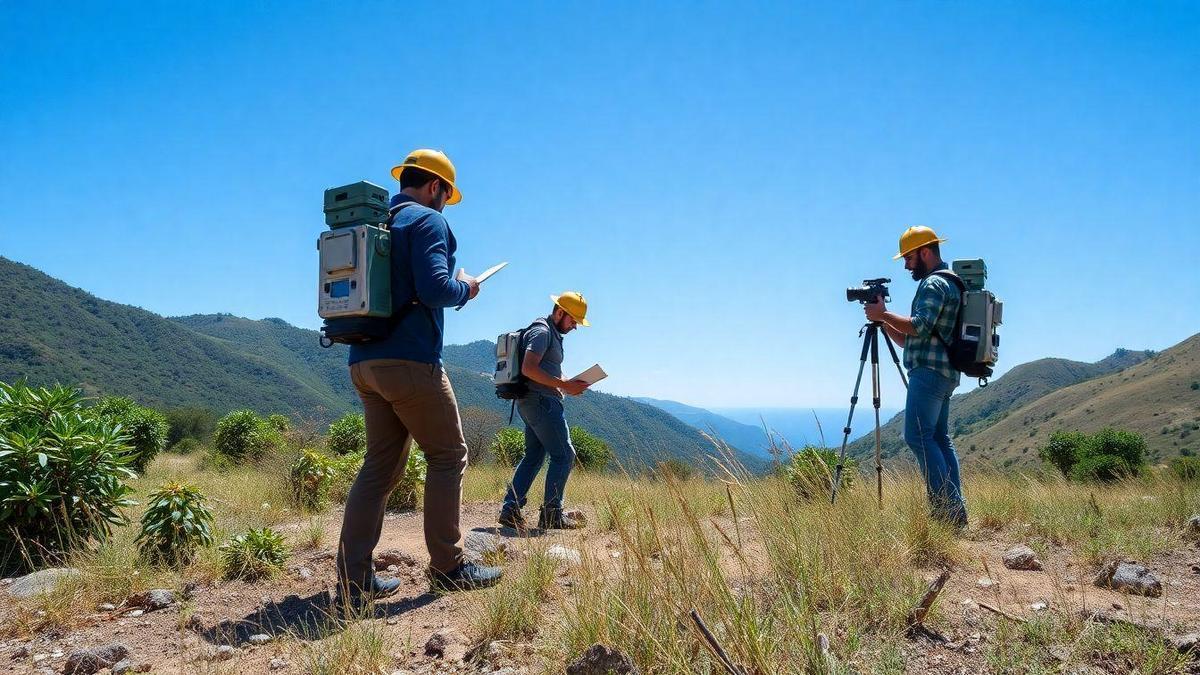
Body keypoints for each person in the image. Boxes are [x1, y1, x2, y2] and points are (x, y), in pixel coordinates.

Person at [337, 149, 502, 608]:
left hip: (362, 361)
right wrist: (466, 288)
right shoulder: (428, 222)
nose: (446, 203)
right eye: (447, 195)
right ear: (435, 187)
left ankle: (353, 583)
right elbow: (434, 289)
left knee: (379, 468)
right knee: (448, 455)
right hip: (411, 362)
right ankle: (449, 567)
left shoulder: (378, 223)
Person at [864, 226, 967, 528]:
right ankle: (955, 510)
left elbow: (919, 325)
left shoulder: (934, 284)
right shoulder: (951, 283)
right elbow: (909, 340)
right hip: (945, 372)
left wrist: (884, 314)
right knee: (939, 439)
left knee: (916, 437)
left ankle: (946, 511)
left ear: (924, 252)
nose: (907, 265)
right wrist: (882, 320)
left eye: (908, 257)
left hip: (929, 374)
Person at [498, 292, 592, 531]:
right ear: (559, 312)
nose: (575, 327)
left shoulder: (549, 332)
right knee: (564, 455)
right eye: (573, 321)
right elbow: (529, 368)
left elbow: (545, 369)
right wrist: (563, 386)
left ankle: (510, 510)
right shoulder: (542, 332)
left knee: (534, 457)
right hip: (541, 402)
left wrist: (569, 383)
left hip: (532, 402)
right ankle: (551, 514)